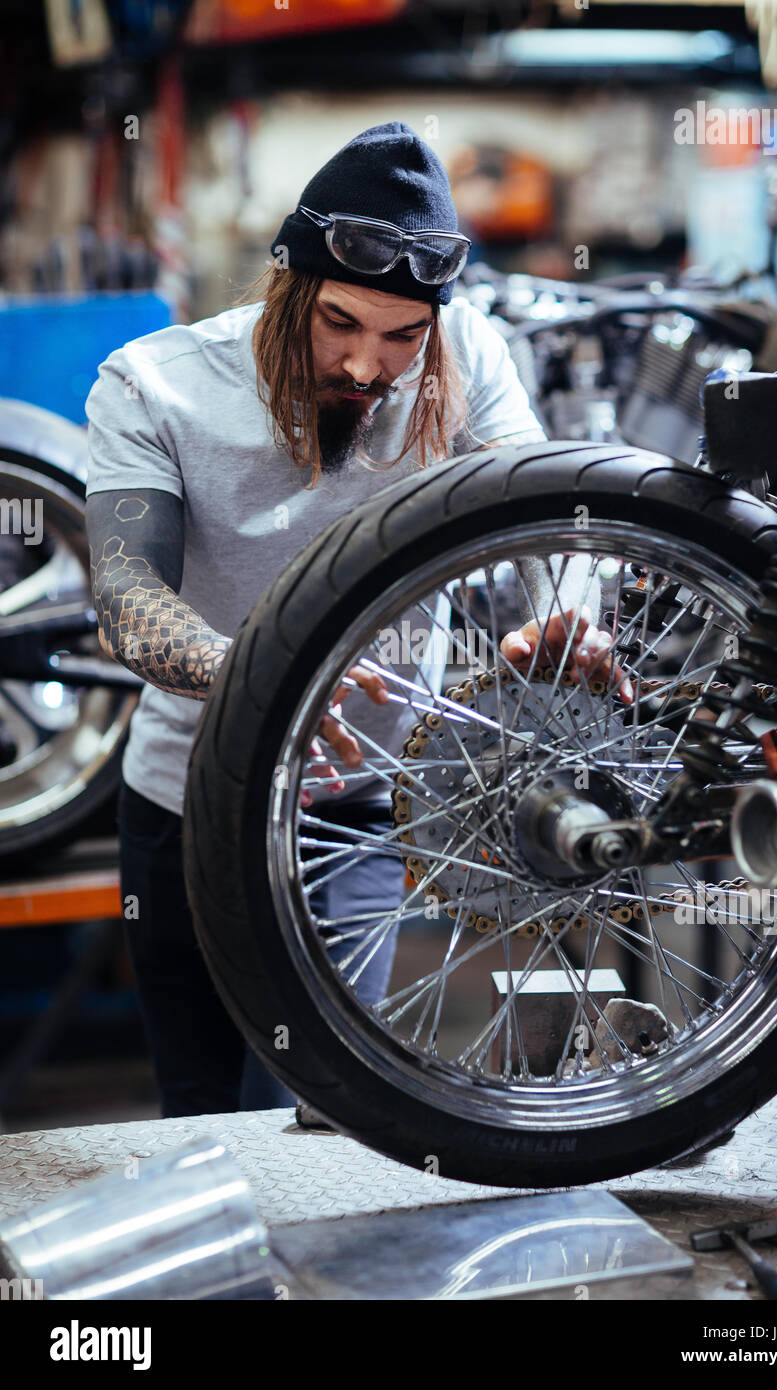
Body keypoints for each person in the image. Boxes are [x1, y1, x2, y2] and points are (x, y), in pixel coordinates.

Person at [85, 121, 617, 1119]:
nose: (370, 368)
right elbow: (127, 597)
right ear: (288, 290)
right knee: (203, 1120)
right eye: (339, 324)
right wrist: (259, 675)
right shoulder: (152, 383)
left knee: (317, 1111)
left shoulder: (462, 349)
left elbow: (548, 518)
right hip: (191, 803)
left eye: (399, 337)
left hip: (360, 802)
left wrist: (561, 619)